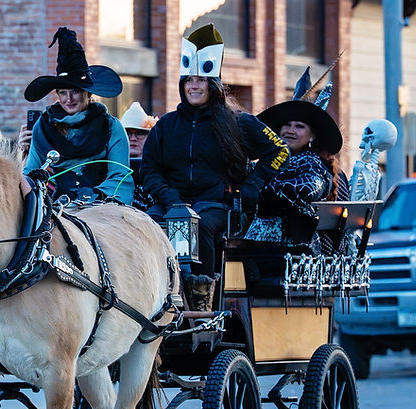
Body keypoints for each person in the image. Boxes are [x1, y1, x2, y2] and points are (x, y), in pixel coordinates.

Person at [140, 24, 288, 309]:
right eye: (188, 80)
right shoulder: (166, 126)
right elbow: (149, 170)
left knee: (201, 226)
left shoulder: (238, 121)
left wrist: (252, 185)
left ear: (214, 84)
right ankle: (150, 297)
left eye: (201, 79)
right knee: (146, 225)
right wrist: (170, 198)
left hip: (216, 206)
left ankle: (201, 296)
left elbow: (279, 150)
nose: (194, 85)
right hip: (171, 203)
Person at [19, 27, 134, 205]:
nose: (69, 99)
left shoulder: (111, 127)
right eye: (63, 93)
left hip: (101, 208)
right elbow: (31, 174)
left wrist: (90, 200)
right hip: (53, 209)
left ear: (88, 94)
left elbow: (120, 177)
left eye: (75, 91)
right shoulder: (42, 127)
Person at [247, 63, 346, 248]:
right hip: (256, 247)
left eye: (299, 126)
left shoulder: (313, 164)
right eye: (287, 125)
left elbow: (309, 188)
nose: (290, 131)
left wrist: (265, 190)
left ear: (312, 135)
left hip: (294, 251)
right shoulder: (268, 160)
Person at [118, 102, 158, 210]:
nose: (133, 138)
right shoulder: (110, 167)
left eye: (139, 133)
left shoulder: (158, 168)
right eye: (128, 133)